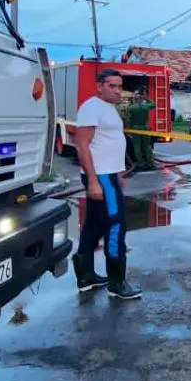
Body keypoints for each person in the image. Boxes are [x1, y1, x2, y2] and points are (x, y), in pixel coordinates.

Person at [72, 68, 142, 300]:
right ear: (99, 86)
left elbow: (110, 142)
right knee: (115, 227)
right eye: (112, 86)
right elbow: (82, 146)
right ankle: (116, 283)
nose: (117, 90)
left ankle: (86, 277)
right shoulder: (91, 107)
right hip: (100, 177)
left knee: (94, 225)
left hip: (109, 174)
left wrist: (119, 172)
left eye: (119, 86)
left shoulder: (108, 108)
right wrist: (93, 181)